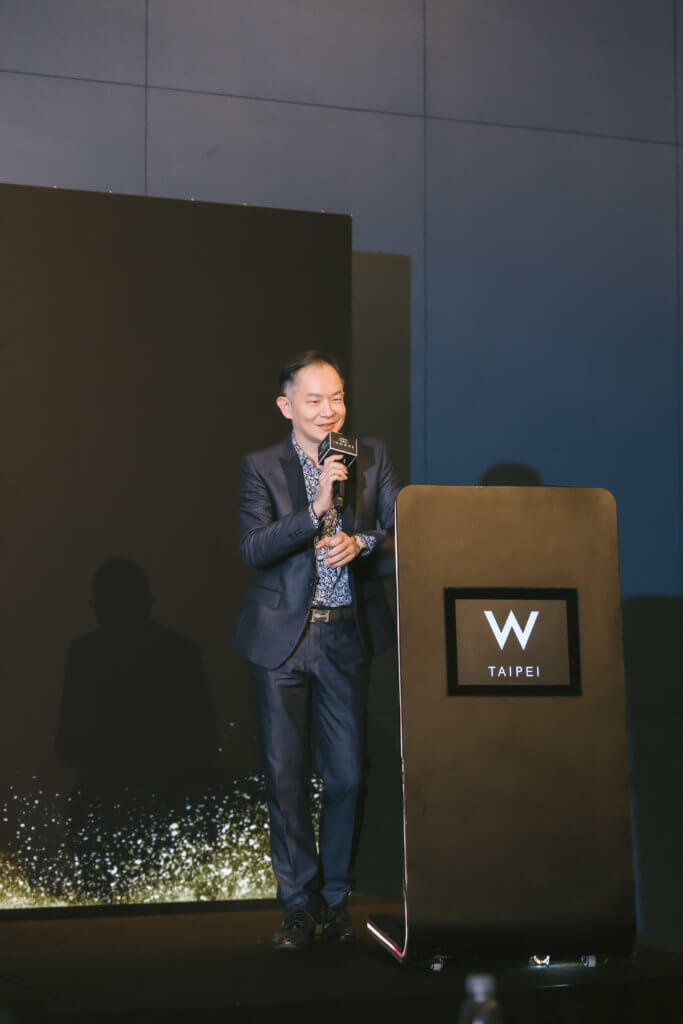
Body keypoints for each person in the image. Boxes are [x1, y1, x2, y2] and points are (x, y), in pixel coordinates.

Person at [231, 350, 401, 949]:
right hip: (281, 639)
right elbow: (254, 547)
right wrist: (317, 510)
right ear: (287, 407)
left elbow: (403, 533)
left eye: (337, 397)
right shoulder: (261, 466)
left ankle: (336, 900)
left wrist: (363, 542)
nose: (330, 410)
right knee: (286, 779)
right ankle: (298, 907)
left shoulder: (371, 456)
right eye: (315, 400)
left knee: (347, 776)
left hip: (344, 635)